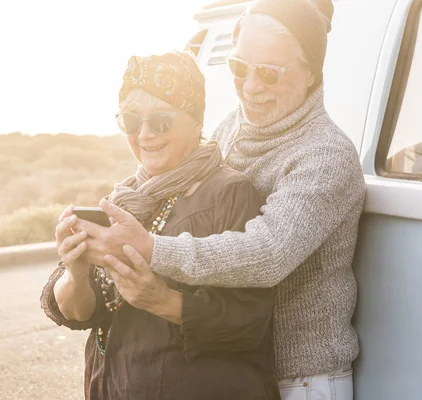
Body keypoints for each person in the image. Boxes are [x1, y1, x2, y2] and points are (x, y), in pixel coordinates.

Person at [77, 0, 366, 398]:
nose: (250, 87)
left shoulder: (326, 154)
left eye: (268, 72)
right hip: (242, 367)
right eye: (238, 67)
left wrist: (151, 248)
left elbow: (267, 253)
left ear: (312, 72)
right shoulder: (231, 127)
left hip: (303, 378)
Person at [40, 50, 279, 400]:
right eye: (132, 121)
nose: (146, 134)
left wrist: (163, 300)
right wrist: (75, 272)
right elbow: (78, 313)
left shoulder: (230, 193)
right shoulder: (123, 200)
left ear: (197, 121)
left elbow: (249, 323)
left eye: (161, 120)